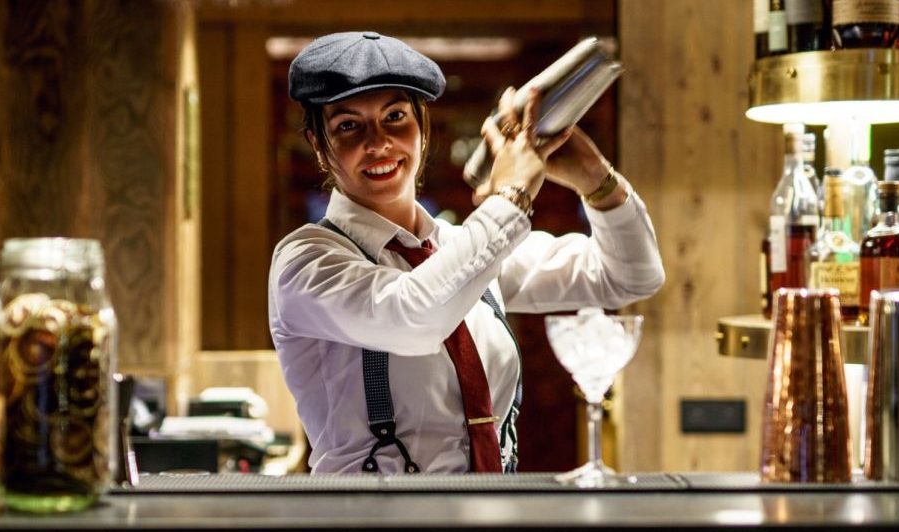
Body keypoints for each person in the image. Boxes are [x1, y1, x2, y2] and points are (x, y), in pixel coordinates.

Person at [268, 31, 665, 474]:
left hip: (490, 513)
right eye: (348, 126)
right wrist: (511, 197)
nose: (378, 142)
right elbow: (413, 315)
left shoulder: (462, 250)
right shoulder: (306, 261)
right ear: (319, 146)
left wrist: (596, 179)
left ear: (423, 129)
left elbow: (629, 276)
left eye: (395, 116)